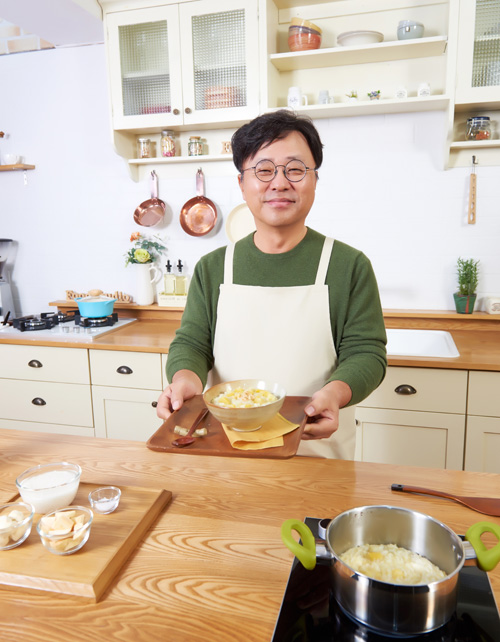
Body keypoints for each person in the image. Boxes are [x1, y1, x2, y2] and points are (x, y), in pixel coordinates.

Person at [156, 109, 387, 458]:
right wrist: (185, 380)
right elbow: (192, 343)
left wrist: (335, 393)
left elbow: (366, 352)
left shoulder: (348, 266)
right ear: (241, 184)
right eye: (263, 170)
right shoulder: (214, 267)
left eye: (295, 169)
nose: (279, 183)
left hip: (316, 450)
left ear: (314, 179)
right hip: (227, 450)